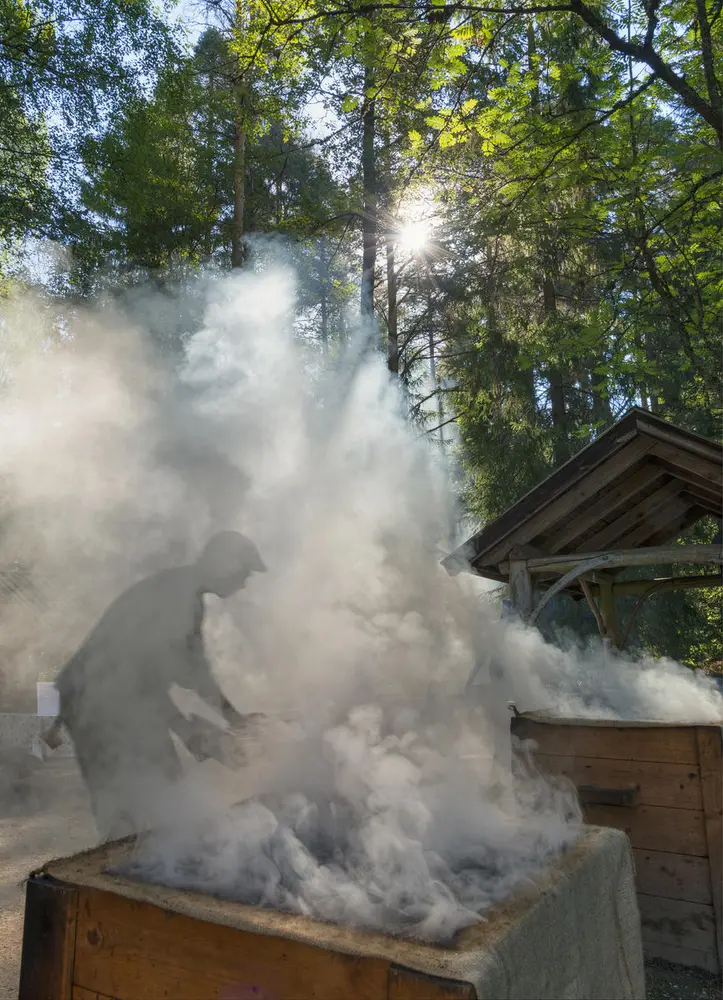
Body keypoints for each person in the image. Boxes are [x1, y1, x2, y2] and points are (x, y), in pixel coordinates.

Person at [44, 531, 266, 840]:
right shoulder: (177, 596)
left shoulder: (184, 593)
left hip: (110, 699)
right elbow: (181, 672)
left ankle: (140, 859)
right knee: (131, 798)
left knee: (164, 788)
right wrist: (226, 720)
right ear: (224, 564)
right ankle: (117, 872)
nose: (244, 582)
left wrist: (204, 727)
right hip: (96, 705)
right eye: (244, 572)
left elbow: (163, 673)